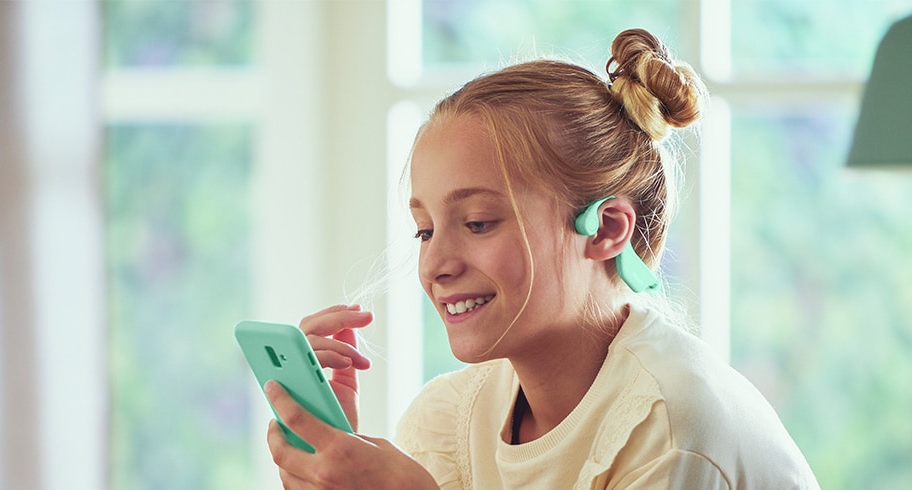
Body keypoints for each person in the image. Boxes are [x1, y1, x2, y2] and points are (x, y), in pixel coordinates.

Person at [262, 28, 820, 489]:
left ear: (604, 229)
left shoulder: (670, 429)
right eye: (425, 231)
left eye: (477, 222)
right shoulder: (449, 421)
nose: (435, 265)